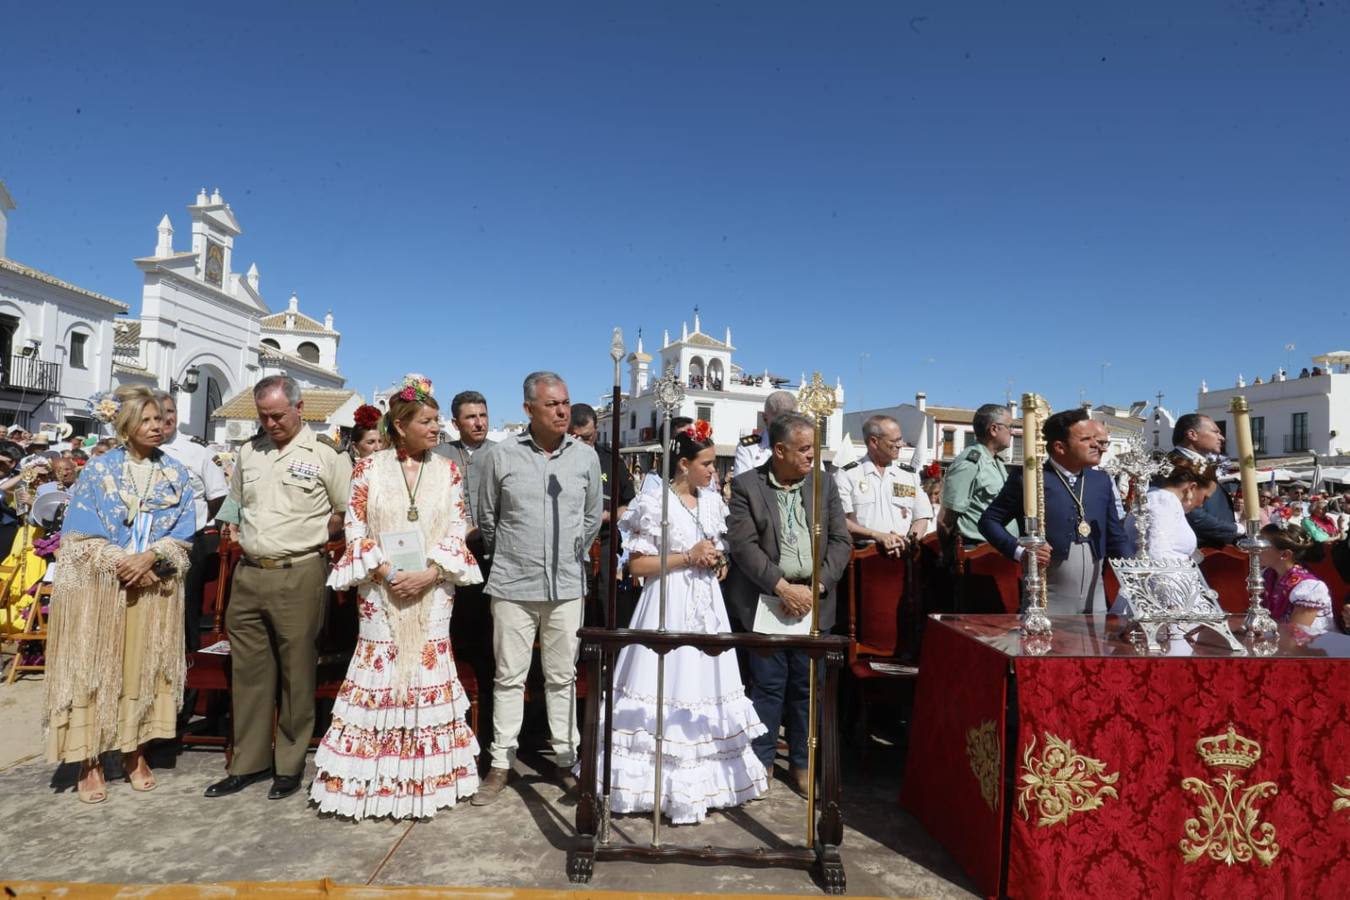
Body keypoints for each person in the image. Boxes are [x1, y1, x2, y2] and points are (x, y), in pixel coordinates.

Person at [312, 375, 484, 819]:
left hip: (433, 586)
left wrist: (429, 573)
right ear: (401, 425)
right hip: (380, 586)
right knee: (382, 668)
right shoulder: (369, 468)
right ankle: (373, 779)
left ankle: (427, 779)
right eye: (426, 421)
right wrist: (388, 572)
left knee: (428, 666)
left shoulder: (447, 469)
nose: (436, 428)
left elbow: (457, 526)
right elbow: (355, 526)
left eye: (437, 420)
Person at [597, 420, 768, 820]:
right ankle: (654, 783)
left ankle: (712, 781)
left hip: (707, 604)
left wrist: (718, 560)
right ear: (683, 465)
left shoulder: (712, 502)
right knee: (667, 679)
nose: (714, 471)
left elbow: (719, 549)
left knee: (707, 681)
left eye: (713, 464)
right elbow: (637, 565)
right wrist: (687, 557)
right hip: (667, 600)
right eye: (706, 464)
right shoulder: (655, 503)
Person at [44, 385, 196, 803]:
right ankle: (87, 759)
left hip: (152, 589)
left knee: (141, 669)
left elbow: (183, 536)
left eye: (161, 420)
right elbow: (78, 534)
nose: (156, 427)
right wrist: (120, 561)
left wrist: (151, 560)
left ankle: (134, 751)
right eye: (146, 420)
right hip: (102, 591)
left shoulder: (175, 473)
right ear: (126, 425)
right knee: (93, 669)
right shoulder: (98, 471)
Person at [205, 375, 351, 801]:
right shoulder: (249, 452)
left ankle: (288, 765)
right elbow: (234, 504)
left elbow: (345, 509)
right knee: (247, 672)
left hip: (299, 572)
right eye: (263, 416)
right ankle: (248, 763)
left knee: (296, 672)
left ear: (299, 408)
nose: (270, 424)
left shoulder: (326, 455)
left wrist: (316, 534)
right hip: (249, 574)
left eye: (277, 415)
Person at [471, 371, 602, 806]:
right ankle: (501, 763)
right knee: (509, 676)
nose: (563, 411)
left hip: (566, 586)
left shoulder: (584, 459)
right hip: (512, 584)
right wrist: (512, 554)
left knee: (562, 675)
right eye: (552, 404)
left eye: (566, 402)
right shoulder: (502, 456)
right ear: (529, 409)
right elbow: (487, 518)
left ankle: (565, 760)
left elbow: (590, 518)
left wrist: (570, 554)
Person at [724, 413, 852, 796]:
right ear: (779, 450)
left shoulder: (823, 485)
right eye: (804, 449)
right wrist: (782, 587)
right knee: (767, 687)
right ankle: (761, 760)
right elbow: (743, 546)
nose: (812, 456)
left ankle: (801, 762)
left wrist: (818, 586)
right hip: (768, 601)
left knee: (807, 688)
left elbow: (840, 541)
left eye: (813, 448)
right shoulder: (748, 486)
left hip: (815, 601)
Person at [979, 408, 1135, 614]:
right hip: (1048, 596)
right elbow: (989, 521)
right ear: (1060, 447)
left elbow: (1116, 536)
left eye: (1097, 439)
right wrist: (1021, 552)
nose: (1098, 445)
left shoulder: (1101, 481)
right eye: (1087, 439)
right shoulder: (1030, 478)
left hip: (1095, 598)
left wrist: (1136, 578)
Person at [152, 390, 229, 728]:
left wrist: (194, 525)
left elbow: (218, 498)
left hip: (187, 545)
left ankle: (183, 703)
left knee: (183, 621)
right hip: (142, 546)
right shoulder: (137, 454)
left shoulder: (196, 453)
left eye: (168, 412)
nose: (163, 420)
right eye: (155, 414)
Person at [433, 389, 498, 751]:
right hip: (449, 566)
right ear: (456, 423)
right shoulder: (440, 456)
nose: (479, 422)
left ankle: (487, 736)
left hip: (491, 563)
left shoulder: (502, 455)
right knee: (452, 647)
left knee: (488, 651)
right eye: (471, 417)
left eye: (483, 415)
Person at [569, 402, 637, 625]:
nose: (582, 444)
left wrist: (608, 516)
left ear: (596, 430)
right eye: (575, 437)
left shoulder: (610, 460)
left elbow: (631, 503)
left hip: (605, 545)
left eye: (587, 437)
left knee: (606, 606)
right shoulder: (559, 461)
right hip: (571, 547)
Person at [833, 415, 931, 557]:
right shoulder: (847, 475)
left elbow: (922, 516)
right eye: (894, 441)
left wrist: (908, 541)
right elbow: (840, 520)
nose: (900, 444)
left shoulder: (909, 475)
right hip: (863, 556)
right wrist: (877, 535)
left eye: (900, 439)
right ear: (874, 441)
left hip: (903, 553)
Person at [938, 404, 1014, 547]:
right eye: (1009, 427)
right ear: (994, 429)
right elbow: (946, 519)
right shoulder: (970, 462)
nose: (1013, 432)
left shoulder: (996, 462)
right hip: (979, 551)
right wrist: (948, 554)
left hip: (1001, 550)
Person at [1171, 414, 1239, 547]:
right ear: (1192, 434)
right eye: (1215, 432)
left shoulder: (1200, 464)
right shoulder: (1174, 465)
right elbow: (1190, 512)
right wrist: (1235, 529)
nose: (1222, 438)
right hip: (1198, 551)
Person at [1260, 523, 1333, 635]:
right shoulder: (1266, 575)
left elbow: (1294, 637)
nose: (1256, 548)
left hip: (1305, 649)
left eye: (1263, 545)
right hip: (1272, 643)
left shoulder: (1309, 588)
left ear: (1285, 554)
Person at [731, 391, 799, 477]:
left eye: (791, 421)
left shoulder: (806, 447)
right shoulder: (748, 447)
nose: (786, 427)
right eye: (781, 421)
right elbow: (742, 485)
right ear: (765, 419)